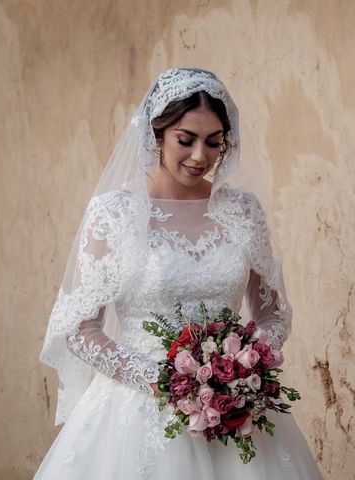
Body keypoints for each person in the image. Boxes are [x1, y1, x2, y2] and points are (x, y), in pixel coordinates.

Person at [35, 68, 323, 479]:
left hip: (235, 411)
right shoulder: (114, 213)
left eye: (214, 142)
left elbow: (272, 314)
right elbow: (82, 328)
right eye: (185, 140)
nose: (200, 157)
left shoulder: (242, 211)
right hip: (136, 410)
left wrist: (245, 367)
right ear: (157, 134)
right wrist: (165, 382)